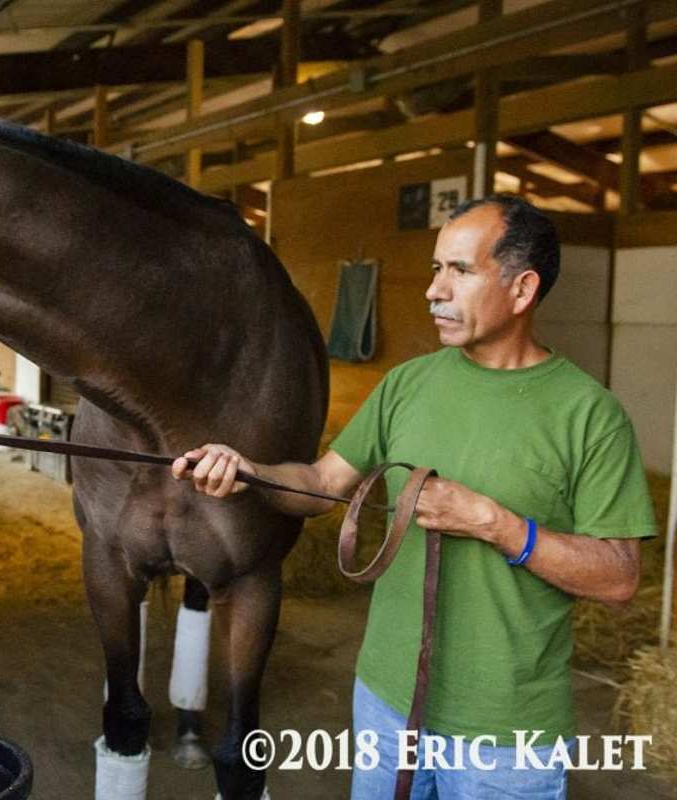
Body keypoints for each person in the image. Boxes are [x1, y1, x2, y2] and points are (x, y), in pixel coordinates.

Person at [171, 195, 657, 799]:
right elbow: (323, 486)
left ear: (523, 288)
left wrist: (494, 524)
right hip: (386, 702)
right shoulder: (406, 383)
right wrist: (250, 472)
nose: (434, 290)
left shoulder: (590, 416)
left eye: (460, 270)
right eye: (434, 268)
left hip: (506, 734)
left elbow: (618, 579)